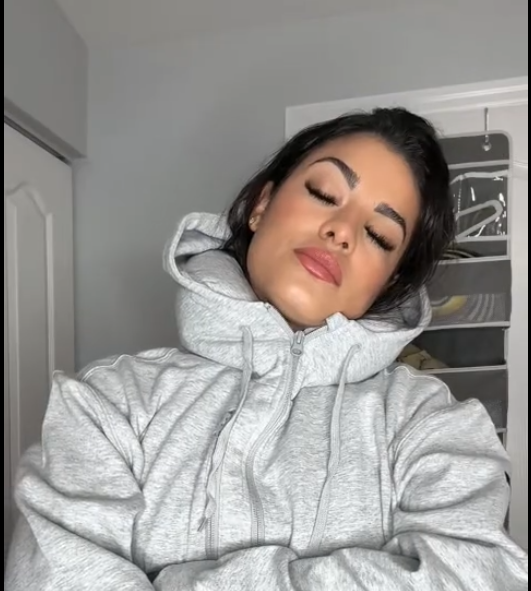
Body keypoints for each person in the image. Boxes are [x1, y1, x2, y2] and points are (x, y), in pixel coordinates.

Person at [5, 108, 527, 590]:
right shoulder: (106, 403)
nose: (341, 231)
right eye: (324, 193)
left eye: (379, 235)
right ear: (261, 205)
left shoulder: (431, 424)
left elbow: (478, 576)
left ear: (388, 283)